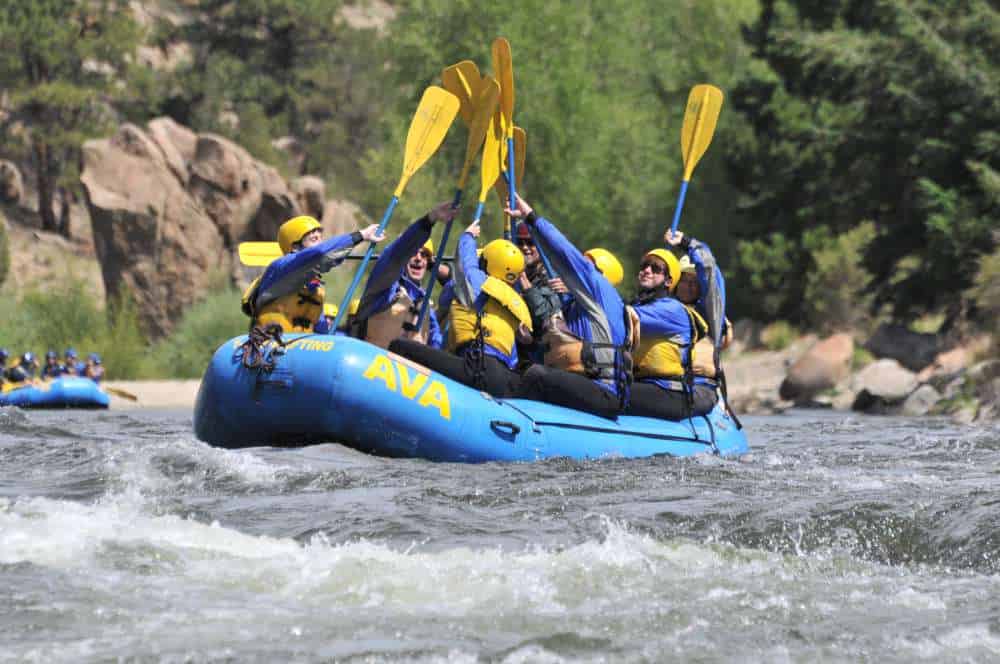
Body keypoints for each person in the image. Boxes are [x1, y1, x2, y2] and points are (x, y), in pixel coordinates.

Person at [505, 194, 635, 419]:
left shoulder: (600, 293)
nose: (581, 268)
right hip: (583, 384)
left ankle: (510, 421)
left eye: (588, 264)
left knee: (537, 375)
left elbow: (565, 252)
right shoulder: (578, 307)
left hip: (603, 390)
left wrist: (532, 219)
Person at [389, 220, 532, 397]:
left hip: (476, 368)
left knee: (400, 346)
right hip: (503, 378)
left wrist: (468, 236)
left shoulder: (480, 283)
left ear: (488, 263)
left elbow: (465, 265)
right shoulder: (514, 303)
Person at [241, 215, 384, 334]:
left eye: (321, 238)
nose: (321, 242)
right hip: (270, 347)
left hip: (300, 351)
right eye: (313, 239)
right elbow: (319, 254)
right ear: (295, 247)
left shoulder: (316, 289)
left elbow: (322, 331)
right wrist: (361, 235)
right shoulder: (279, 268)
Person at [351, 202, 456, 349]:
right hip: (374, 367)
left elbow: (458, 285)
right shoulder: (384, 287)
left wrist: (433, 265)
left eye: (424, 255)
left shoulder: (425, 304)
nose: (419, 258)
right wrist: (429, 219)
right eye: (413, 253)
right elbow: (397, 254)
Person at [626, 248, 714, 420]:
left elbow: (710, 274)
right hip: (648, 384)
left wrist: (687, 244)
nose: (688, 287)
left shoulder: (705, 310)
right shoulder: (648, 306)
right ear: (675, 283)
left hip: (694, 388)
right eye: (684, 281)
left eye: (694, 282)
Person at [513, 222, 562, 366]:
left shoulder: (554, 277)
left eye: (530, 243)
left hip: (539, 356)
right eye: (519, 242)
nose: (524, 248)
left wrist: (527, 288)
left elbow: (547, 317)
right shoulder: (508, 271)